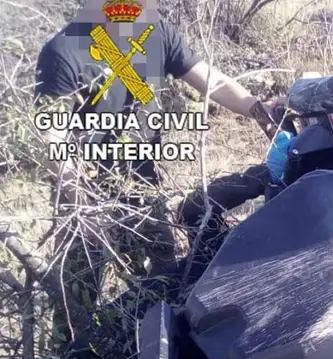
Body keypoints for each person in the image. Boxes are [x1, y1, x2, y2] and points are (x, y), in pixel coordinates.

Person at [34, 0, 275, 341]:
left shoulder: (155, 29)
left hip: (143, 188)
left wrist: (258, 109)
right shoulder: (63, 51)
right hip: (84, 203)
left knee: (162, 284)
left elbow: (211, 80)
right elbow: (51, 139)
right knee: (76, 306)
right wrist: (83, 202)